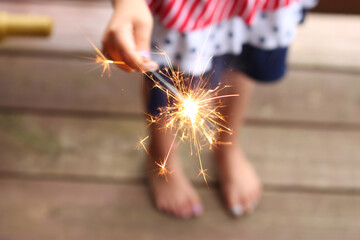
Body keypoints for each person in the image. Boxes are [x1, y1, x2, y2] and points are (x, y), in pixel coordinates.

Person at [102, 0, 318, 218]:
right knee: (167, 75)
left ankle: (228, 147)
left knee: (241, 58)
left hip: (256, 6)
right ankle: (161, 156)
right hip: (179, 8)